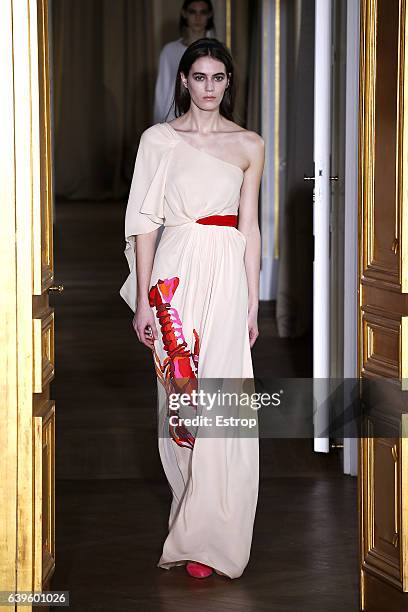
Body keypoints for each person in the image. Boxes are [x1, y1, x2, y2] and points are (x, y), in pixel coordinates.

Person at [120, 38, 265, 579]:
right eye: (199, 77)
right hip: (175, 276)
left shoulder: (250, 144)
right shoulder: (158, 140)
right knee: (180, 397)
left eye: (218, 77)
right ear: (183, 80)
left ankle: (212, 535)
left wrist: (252, 302)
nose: (209, 87)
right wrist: (145, 302)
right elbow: (144, 222)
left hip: (226, 276)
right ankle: (189, 511)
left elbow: (249, 227)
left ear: (229, 82)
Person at [153, 0, 215, 123]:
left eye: (202, 12)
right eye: (193, 12)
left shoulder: (217, 51)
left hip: (208, 120)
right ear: (184, 13)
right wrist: (158, 126)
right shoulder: (169, 51)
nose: (198, 17)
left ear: (209, 15)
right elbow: (162, 93)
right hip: (173, 120)